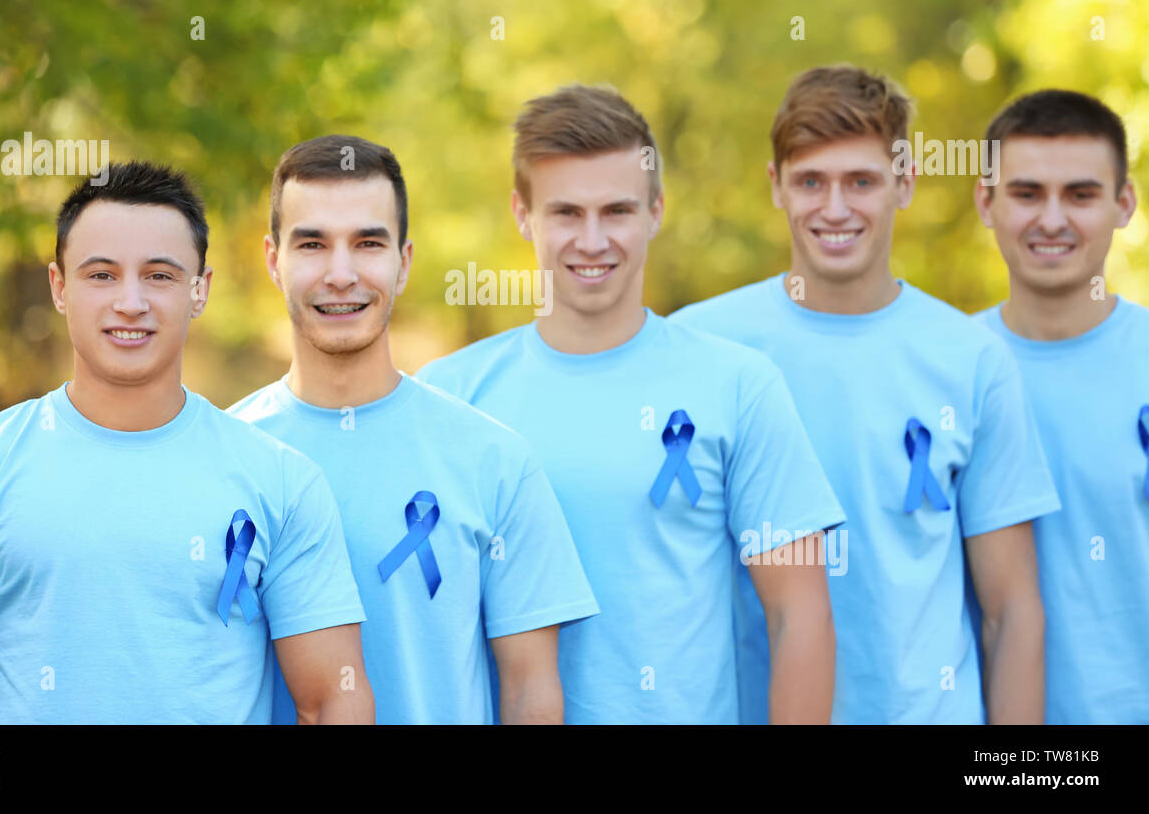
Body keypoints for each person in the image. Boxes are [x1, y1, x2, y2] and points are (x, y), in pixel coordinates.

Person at [0, 162, 371, 724]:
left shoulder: (283, 481)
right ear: (59, 287)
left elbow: (332, 699)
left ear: (199, 290)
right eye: (101, 275)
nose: (130, 302)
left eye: (159, 275)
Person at [418, 85, 844, 724]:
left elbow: (799, 616)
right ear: (522, 213)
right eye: (566, 213)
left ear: (655, 211)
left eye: (616, 211)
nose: (592, 240)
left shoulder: (737, 385)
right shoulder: (450, 395)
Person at [672, 65, 1060, 723]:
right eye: (810, 182)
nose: (835, 208)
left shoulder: (970, 360)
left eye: (861, 181)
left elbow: (1011, 611)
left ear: (904, 184)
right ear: (776, 187)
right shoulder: (697, 348)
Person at [230, 135, 598, 724]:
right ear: (275, 261)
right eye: (314, 244)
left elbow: (531, 691)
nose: (342, 273)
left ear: (403, 262)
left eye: (368, 243)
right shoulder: (225, 459)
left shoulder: (492, 460)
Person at [973, 88, 1148, 723]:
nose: (1052, 219)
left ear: (1122, 204)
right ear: (985, 203)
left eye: (1080, 194)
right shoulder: (940, 369)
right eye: (1026, 194)